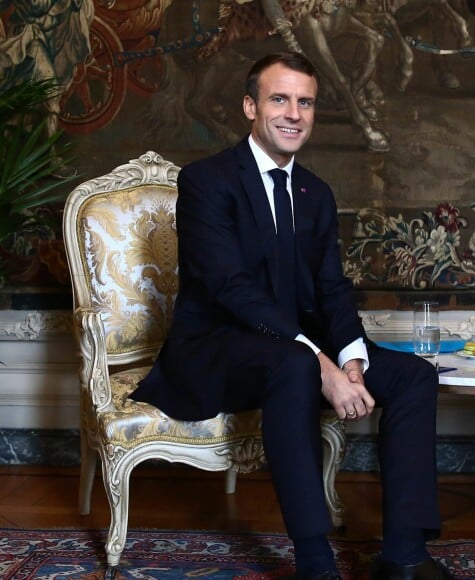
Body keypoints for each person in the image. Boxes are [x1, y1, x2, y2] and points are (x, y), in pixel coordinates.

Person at [131, 51, 456, 580]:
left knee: (414, 376)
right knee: (296, 366)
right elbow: (232, 290)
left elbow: (331, 289)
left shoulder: (316, 194)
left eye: (305, 102)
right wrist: (321, 362)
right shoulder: (206, 183)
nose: (294, 113)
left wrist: (349, 358)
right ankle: (315, 561)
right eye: (279, 98)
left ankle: (402, 554)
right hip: (220, 352)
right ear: (249, 107)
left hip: (300, 349)